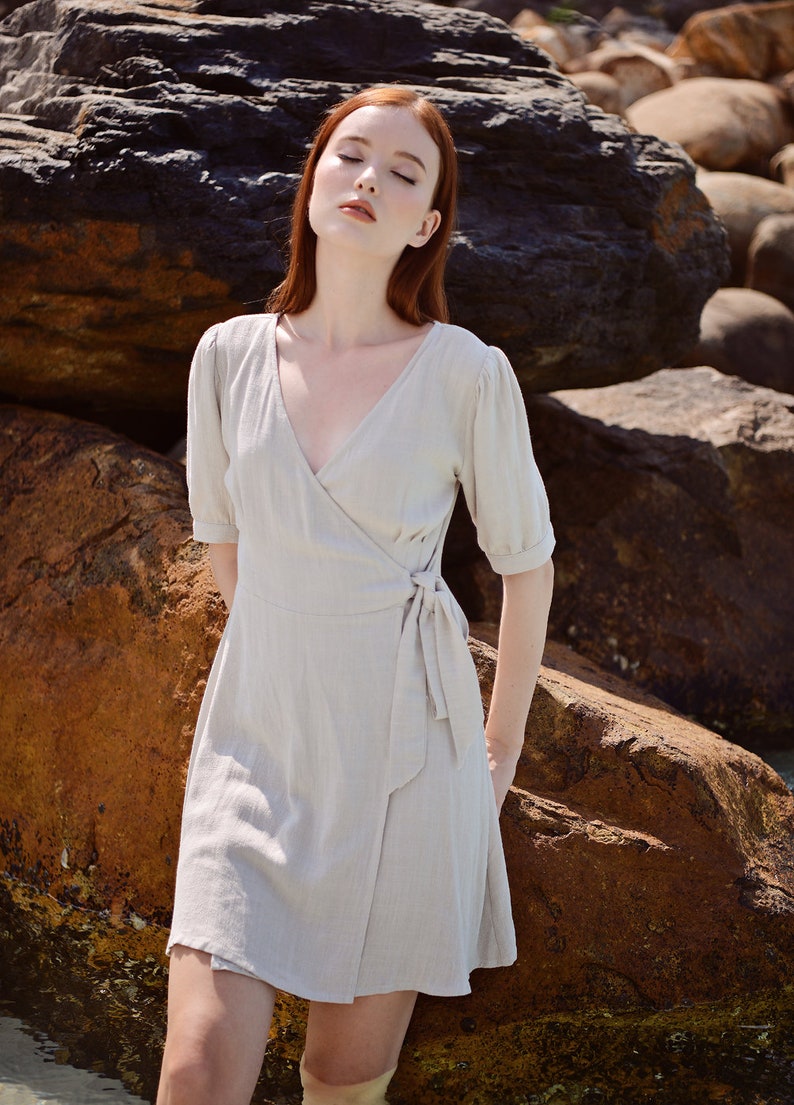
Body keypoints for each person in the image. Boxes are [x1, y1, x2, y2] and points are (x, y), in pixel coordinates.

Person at [157, 85, 555, 1105]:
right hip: (258, 744)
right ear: (311, 182)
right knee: (195, 1067)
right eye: (350, 156)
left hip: (406, 758)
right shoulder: (226, 355)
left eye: (403, 172)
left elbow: (525, 561)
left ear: (426, 225)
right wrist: (288, 647)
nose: (369, 179)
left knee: (341, 1078)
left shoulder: (464, 371)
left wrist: (498, 752)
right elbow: (223, 540)